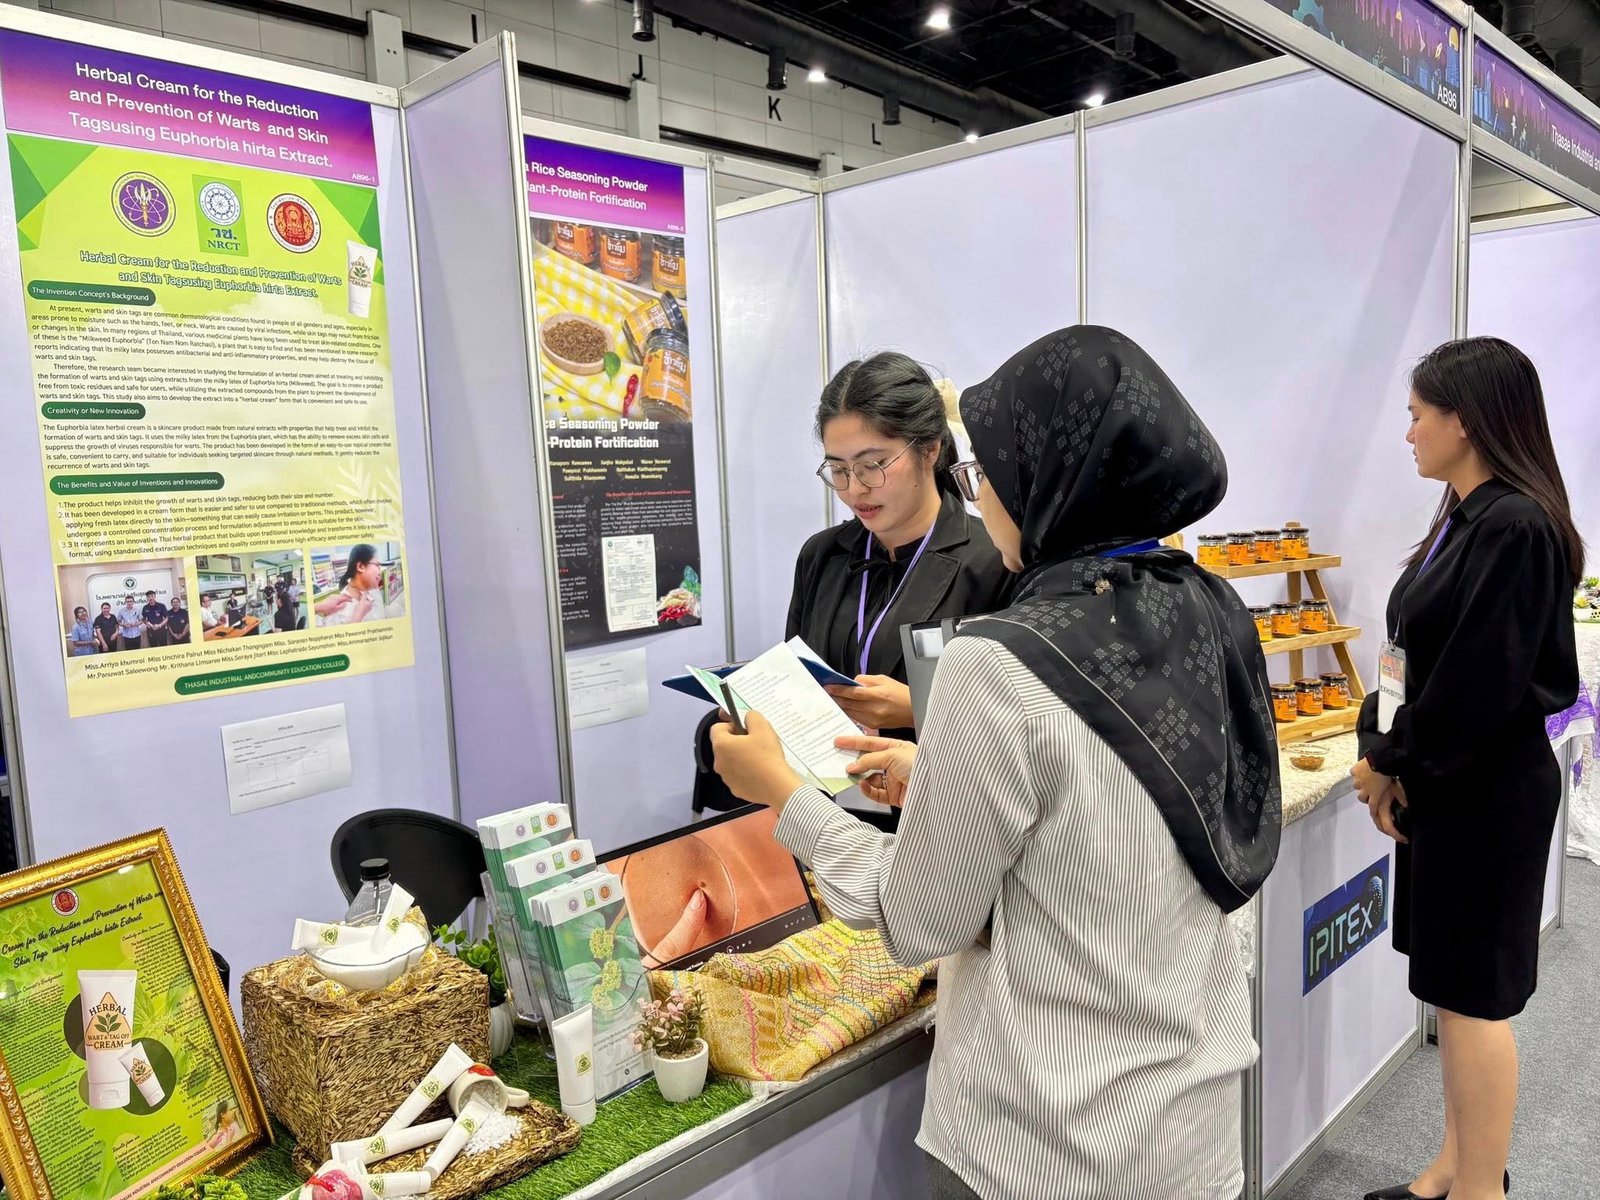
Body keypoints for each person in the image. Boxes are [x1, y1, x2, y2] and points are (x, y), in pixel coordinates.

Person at [711, 326, 1280, 1199]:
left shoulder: (997, 659)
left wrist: (784, 795)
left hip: (1042, 1133)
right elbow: (1109, 806)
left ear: (1052, 478)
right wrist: (937, 776)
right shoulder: (1208, 608)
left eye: (988, 470)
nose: (979, 492)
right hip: (1191, 1114)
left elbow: (918, 921)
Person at [1352, 338, 1581, 1200]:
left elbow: (1479, 684)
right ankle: (1452, 1168)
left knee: (1476, 1001)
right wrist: (1381, 751)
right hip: (1448, 784)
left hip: (1486, 791)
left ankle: (1482, 1189)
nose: (1408, 432)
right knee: (1451, 992)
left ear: (1465, 420)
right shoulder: (1464, 515)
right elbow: (1411, 658)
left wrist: (1389, 759)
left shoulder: (1515, 527)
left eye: (1418, 415)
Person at [695, 353, 1012, 820]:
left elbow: (1025, 725)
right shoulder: (823, 555)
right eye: (838, 470)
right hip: (825, 811)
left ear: (929, 450)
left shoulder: (995, 560)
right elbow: (797, 677)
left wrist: (916, 709)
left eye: (873, 465)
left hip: (941, 818)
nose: (855, 489)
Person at [315, 545, 396, 624]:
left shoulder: (373, 588)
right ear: (360, 566)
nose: (379, 571)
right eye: (377, 565)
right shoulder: (342, 609)